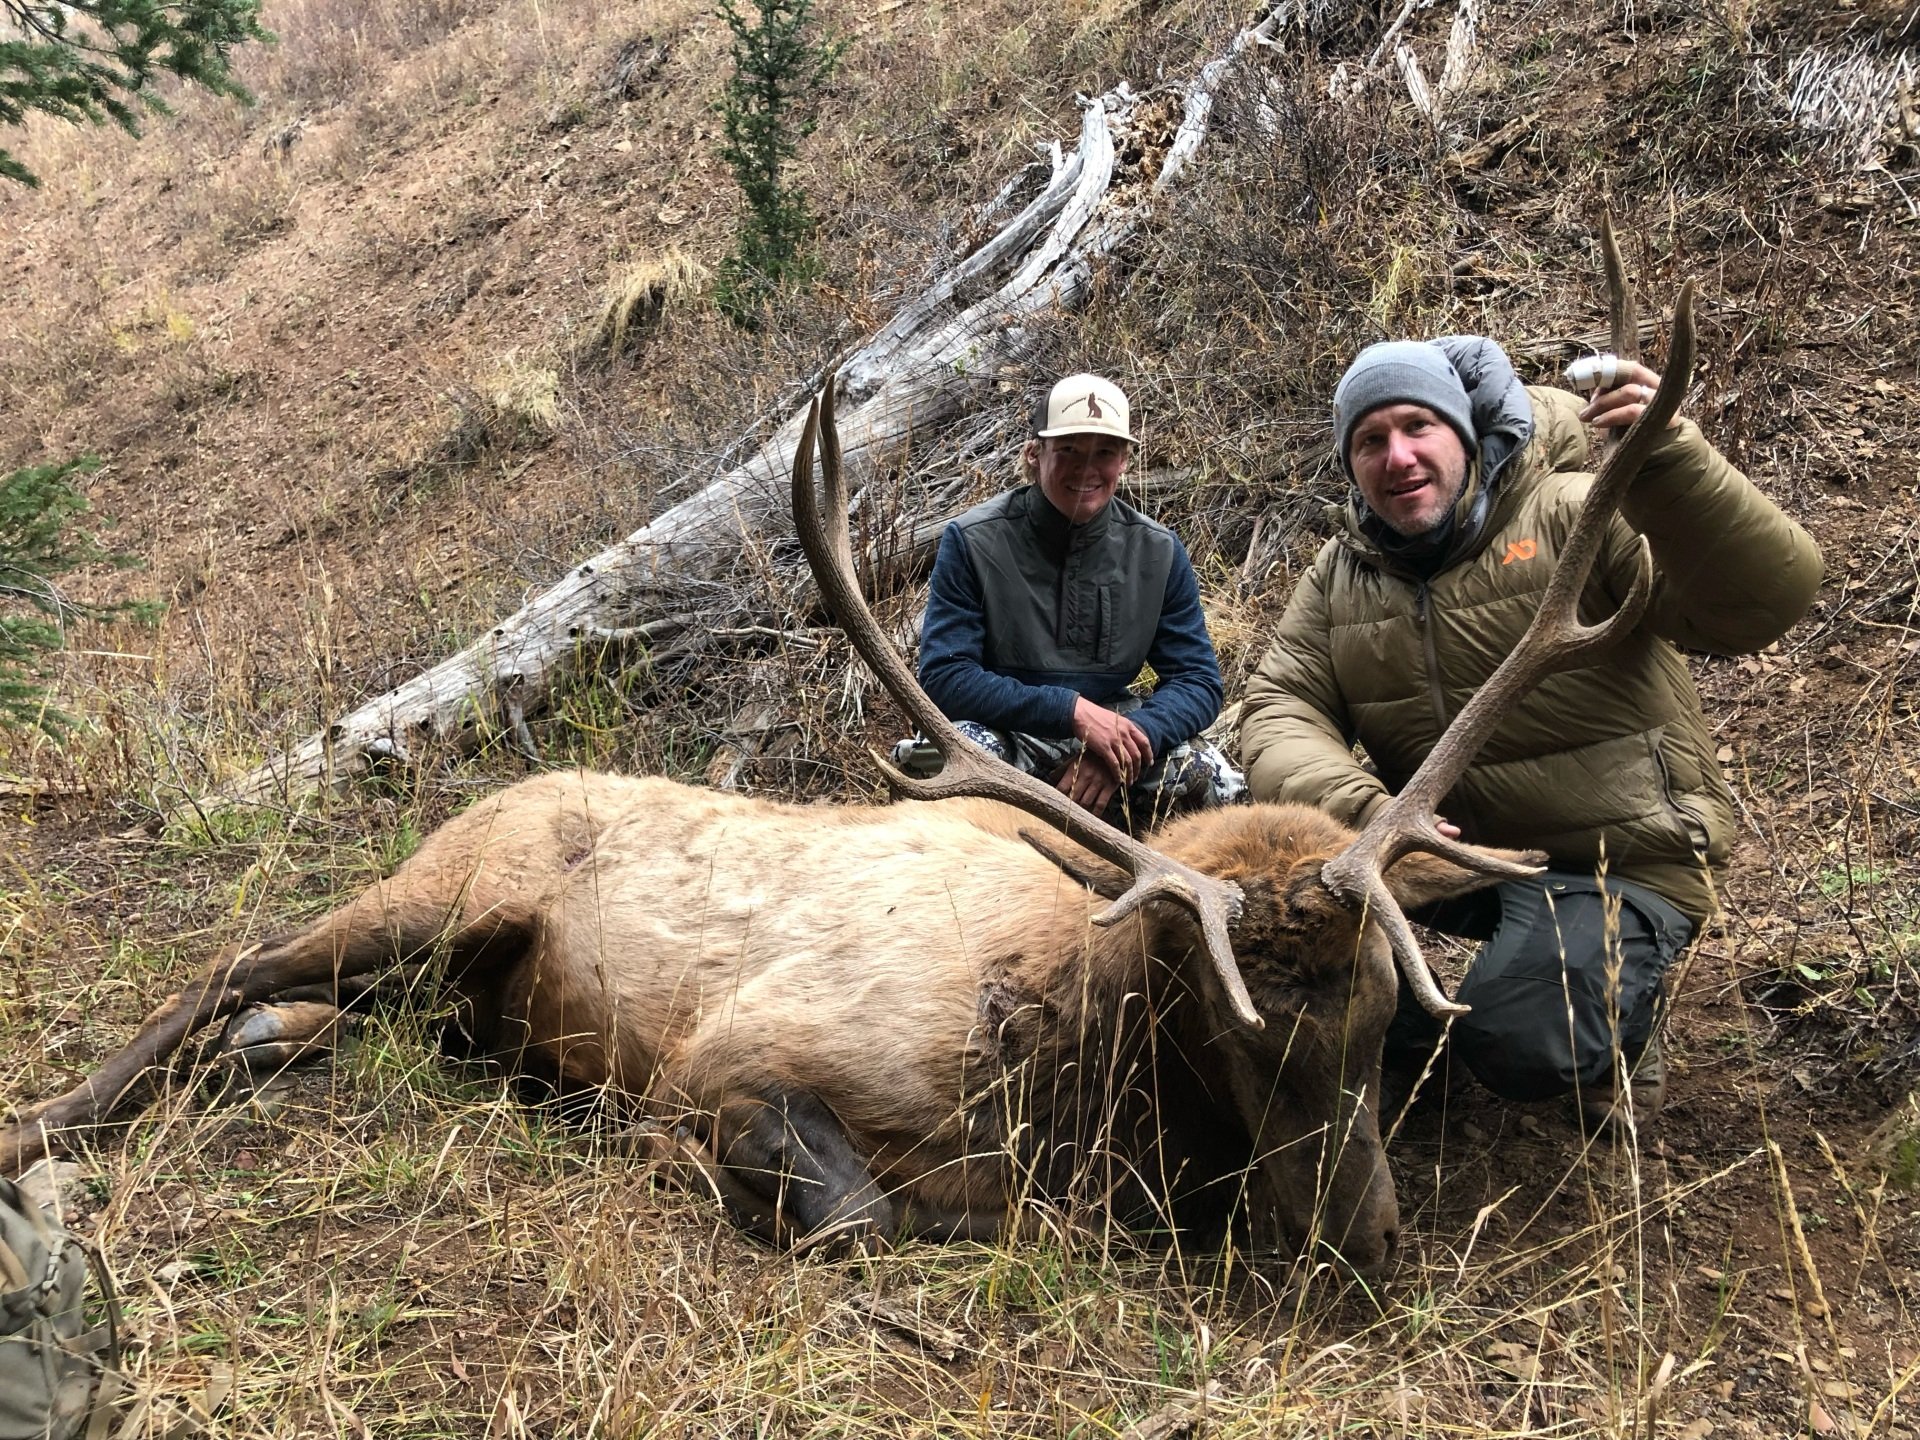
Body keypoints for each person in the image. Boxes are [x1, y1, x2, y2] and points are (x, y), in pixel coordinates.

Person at [1239, 337, 1822, 1128]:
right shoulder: (1345, 573)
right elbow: (1279, 706)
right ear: (1350, 465)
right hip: (1461, 860)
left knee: (1519, 1041)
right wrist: (1363, 807)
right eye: (1370, 441)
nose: (1397, 456)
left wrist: (1671, 463)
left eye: (1418, 426)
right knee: (1331, 1028)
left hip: (1622, 858)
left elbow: (1756, 603)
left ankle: (1622, 1019)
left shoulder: (1576, 511)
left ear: (1466, 435)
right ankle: (1452, 1011)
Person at [894, 372, 1244, 829]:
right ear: (1034, 454)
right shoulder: (973, 541)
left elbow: (1198, 682)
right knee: (931, 766)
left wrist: (1128, 744)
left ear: (1124, 460)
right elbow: (945, 677)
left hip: (1117, 730)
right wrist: (1071, 712)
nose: (1087, 469)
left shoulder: (1158, 551)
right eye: (1069, 451)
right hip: (1006, 729)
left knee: (1223, 790)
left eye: (1105, 452)